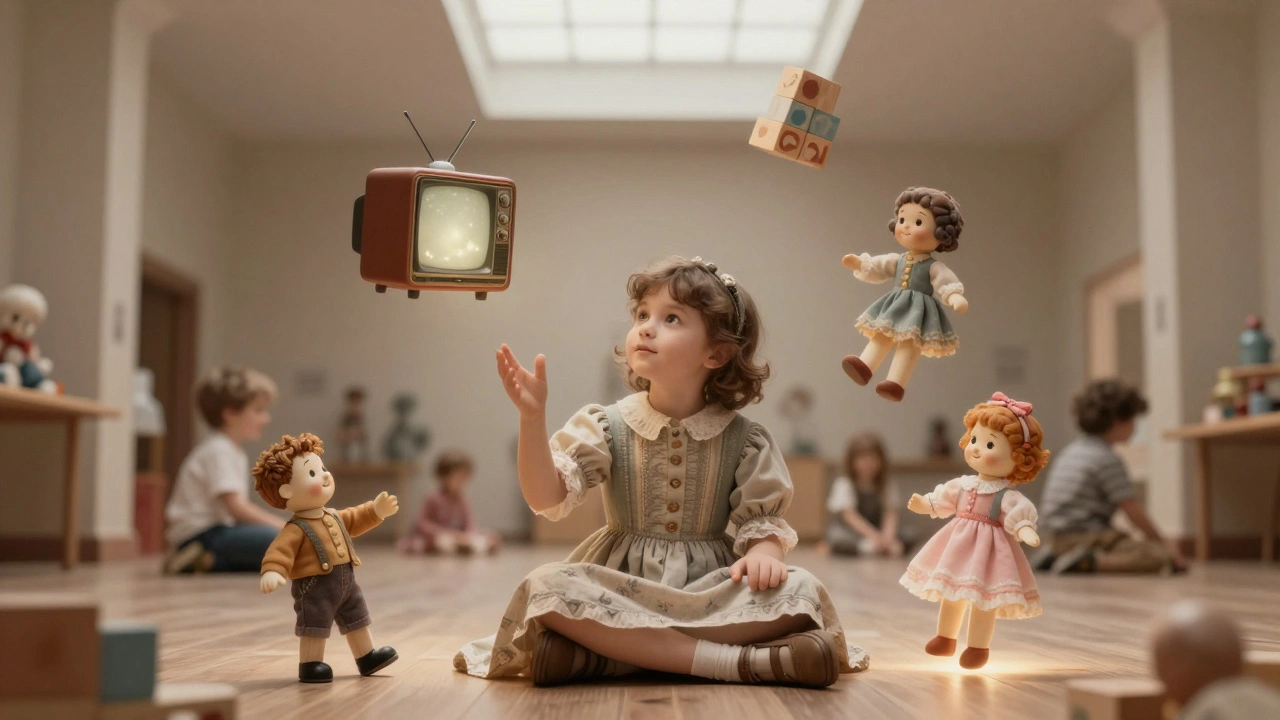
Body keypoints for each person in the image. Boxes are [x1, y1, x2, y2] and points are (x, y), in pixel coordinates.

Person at [455, 256, 867, 687]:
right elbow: (545, 497)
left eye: (671, 318)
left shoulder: (746, 439)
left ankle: (609, 656)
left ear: (716, 353)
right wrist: (531, 419)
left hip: (710, 594)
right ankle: (731, 663)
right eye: (642, 315)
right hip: (620, 588)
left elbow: (762, 523)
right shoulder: (606, 425)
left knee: (803, 590)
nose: (646, 328)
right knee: (545, 586)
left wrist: (765, 554)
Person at [1039, 380, 1187, 574]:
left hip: (1055, 537)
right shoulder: (1106, 458)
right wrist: (1164, 544)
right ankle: (1088, 562)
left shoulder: (1070, 452)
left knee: (1121, 541)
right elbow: (1132, 511)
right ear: (1119, 421)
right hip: (1087, 535)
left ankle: (1056, 556)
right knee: (1156, 556)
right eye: (1133, 420)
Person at [163, 366, 283, 573]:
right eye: (258, 410)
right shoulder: (219, 450)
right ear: (230, 414)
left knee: (275, 552)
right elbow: (237, 508)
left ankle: (208, 562)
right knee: (277, 540)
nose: (266, 418)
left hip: (216, 533)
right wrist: (284, 526)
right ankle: (200, 556)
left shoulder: (231, 451)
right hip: (201, 536)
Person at [822, 432, 911, 557]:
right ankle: (870, 548)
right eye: (862, 458)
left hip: (879, 528)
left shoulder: (886, 484)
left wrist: (887, 537)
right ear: (851, 461)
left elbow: (890, 513)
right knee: (836, 537)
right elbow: (850, 516)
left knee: (910, 533)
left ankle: (882, 547)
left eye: (873, 458)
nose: (868, 463)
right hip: (853, 532)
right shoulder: (845, 483)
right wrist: (875, 536)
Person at [399, 449, 500, 554]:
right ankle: (463, 548)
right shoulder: (433, 498)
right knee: (438, 541)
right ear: (444, 477)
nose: (462, 482)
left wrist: (467, 535)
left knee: (490, 536)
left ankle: (467, 547)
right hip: (438, 536)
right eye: (458, 477)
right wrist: (444, 533)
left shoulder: (462, 500)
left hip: (458, 537)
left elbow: (469, 523)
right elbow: (421, 523)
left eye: (465, 478)